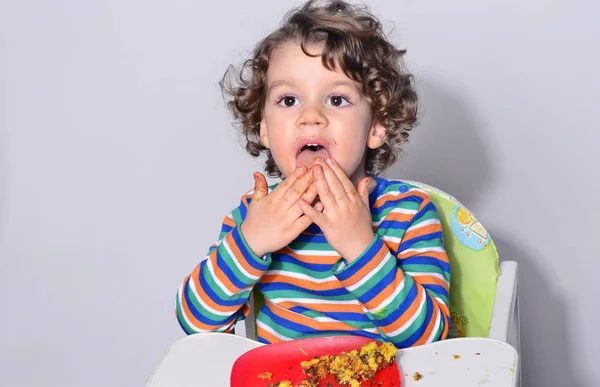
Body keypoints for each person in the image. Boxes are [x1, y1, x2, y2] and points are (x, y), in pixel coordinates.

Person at [176, 0, 451, 348]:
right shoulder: (254, 215)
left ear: (377, 125)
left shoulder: (408, 214)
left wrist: (360, 246)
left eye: (336, 100)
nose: (310, 116)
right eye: (288, 100)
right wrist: (251, 243)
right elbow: (195, 324)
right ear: (264, 128)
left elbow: (430, 340)